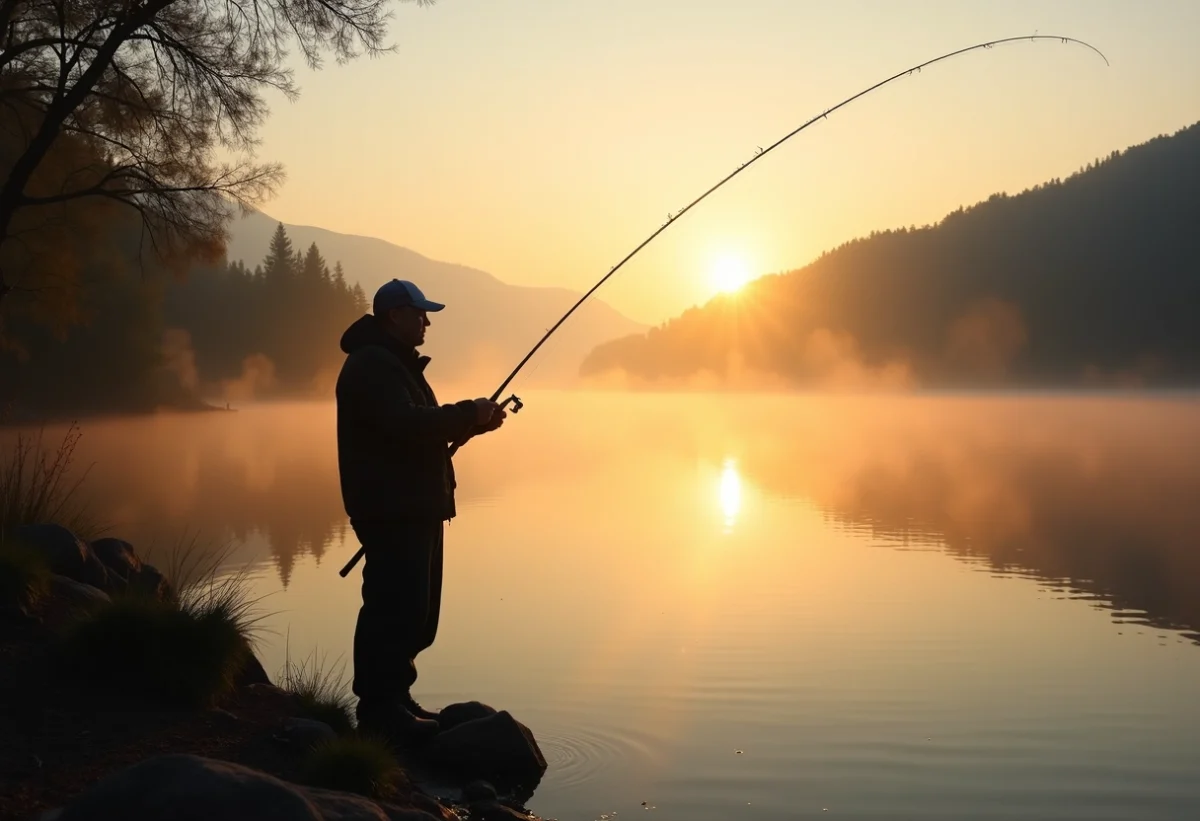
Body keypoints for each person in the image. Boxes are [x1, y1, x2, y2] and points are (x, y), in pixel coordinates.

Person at [335, 278, 506, 741]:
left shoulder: (394, 364)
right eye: (420, 313)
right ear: (395, 315)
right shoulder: (373, 364)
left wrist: (476, 423)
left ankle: (396, 697)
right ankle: (378, 708)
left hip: (413, 503)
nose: (427, 322)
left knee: (414, 607)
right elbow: (405, 425)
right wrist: (467, 411)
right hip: (393, 506)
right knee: (393, 604)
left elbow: (416, 432)